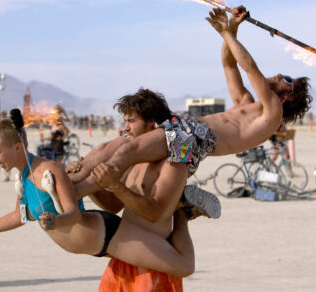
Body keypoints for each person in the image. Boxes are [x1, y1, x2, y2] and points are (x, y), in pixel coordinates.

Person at [67, 6, 312, 190]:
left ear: (288, 96)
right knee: (114, 145)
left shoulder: (273, 113)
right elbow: (229, 66)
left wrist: (228, 33)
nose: (279, 74)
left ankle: (73, 191)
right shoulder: (248, 104)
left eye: (286, 78)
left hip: (195, 138)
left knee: (127, 152)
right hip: (185, 128)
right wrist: (232, 29)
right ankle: (72, 178)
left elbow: (249, 67)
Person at [0, 119, 196, 278]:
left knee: (184, 267)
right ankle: (176, 197)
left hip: (109, 236)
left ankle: (181, 212)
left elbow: (72, 213)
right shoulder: (24, 179)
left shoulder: (50, 170)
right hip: (98, 245)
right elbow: (18, 217)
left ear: (17, 147)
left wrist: (56, 221)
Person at [82, 89, 220, 291]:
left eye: (131, 121)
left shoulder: (174, 161)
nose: (125, 128)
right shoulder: (132, 159)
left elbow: (154, 212)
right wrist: (91, 183)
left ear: (152, 124)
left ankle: (182, 212)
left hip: (154, 263)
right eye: (125, 121)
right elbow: (113, 205)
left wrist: (114, 184)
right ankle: (182, 207)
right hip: (125, 256)